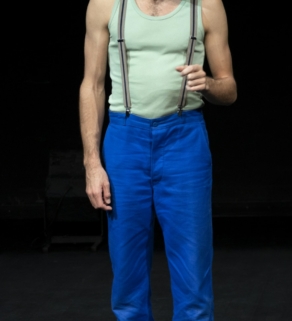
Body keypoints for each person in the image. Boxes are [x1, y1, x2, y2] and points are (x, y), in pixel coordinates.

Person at [79, 0, 236, 319]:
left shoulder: (206, 6)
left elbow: (229, 88)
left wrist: (207, 84)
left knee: (193, 275)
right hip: (126, 138)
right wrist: (92, 163)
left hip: (184, 138)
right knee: (127, 274)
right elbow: (92, 84)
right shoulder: (105, 5)